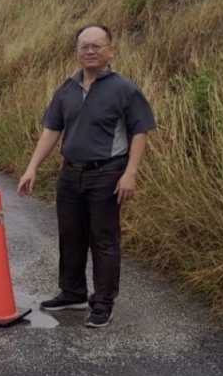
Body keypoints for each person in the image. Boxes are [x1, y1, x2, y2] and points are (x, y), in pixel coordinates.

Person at [17, 24, 155, 328]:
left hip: (107, 175)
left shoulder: (125, 89)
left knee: (104, 240)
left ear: (111, 51)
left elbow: (140, 132)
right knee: (70, 235)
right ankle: (72, 292)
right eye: (84, 46)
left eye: (96, 46)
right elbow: (51, 130)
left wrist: (130, 173)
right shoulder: (66, 88)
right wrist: (32, 167)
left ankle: (103, 303)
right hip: (70, 174)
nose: (90, 51)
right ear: (77, 52)